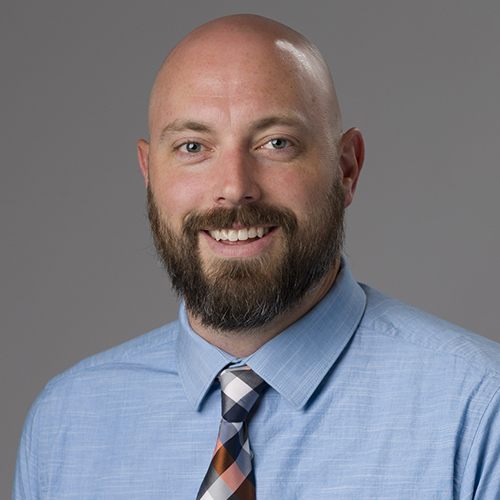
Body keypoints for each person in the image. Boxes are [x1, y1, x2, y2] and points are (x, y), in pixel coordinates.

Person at [13, 14, 500, 499]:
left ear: (346, 168)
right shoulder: (63, 426)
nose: (234, 187)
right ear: (149, 173)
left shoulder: (479, 412)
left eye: (276, 143)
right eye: (192, 146)